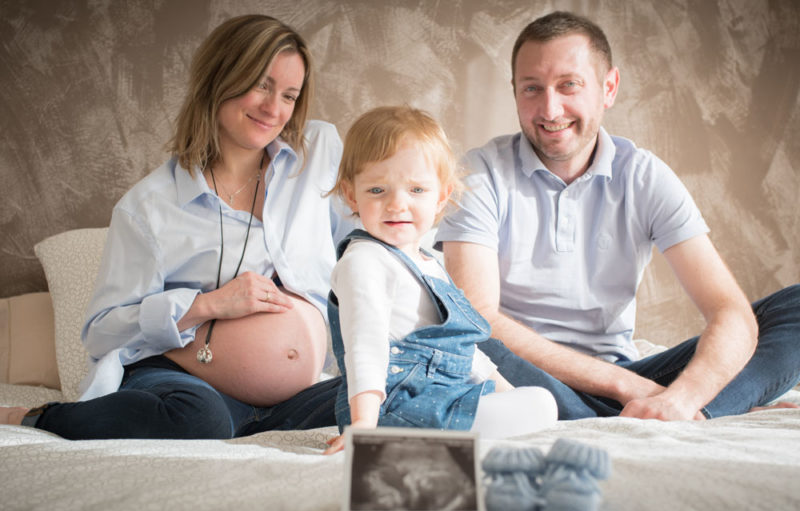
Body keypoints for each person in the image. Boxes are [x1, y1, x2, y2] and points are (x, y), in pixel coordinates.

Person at [436, 11, 800, 421]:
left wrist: (679, 397)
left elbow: (729, 311)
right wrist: (627, 387)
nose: (550, 108)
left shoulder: (644, 175)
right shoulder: (479, 172)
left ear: (608, 88)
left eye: (568, 85)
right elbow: (480, 318)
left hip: (627, 370)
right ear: (515, 91)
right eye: (532, 89)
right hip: (520, 373)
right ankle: (661, 409)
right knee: (465, 338)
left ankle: (682, 413)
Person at [0, 14, 352, 438]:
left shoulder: (316, 155)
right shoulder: (149, 206)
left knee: (401, 391)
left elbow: (362, 241)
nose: (274, 109)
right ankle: (36, 416)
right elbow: (102, 330)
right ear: (220, 78)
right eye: (261, 84)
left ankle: (245, 423)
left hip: (286, 401)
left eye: (289, 95)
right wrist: (207, 305)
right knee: (199, 415)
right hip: (182, 381)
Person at [323, 106, 557, 455]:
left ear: (441, 197)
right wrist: (363, 426)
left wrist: (505, 391)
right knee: (540, 406)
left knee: (537, 400)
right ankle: (400, 438)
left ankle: (447, 434)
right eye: (377, 190)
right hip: (397, 405)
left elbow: (461, 348)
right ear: (352, 194)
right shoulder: (364, 261)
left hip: (443, 391)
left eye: (416, 189)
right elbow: (364, 346)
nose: (397, 204)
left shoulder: (429, 263)